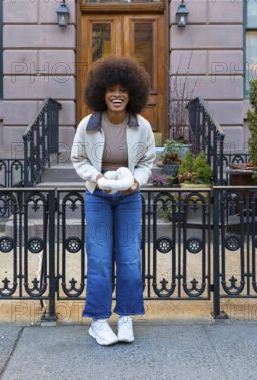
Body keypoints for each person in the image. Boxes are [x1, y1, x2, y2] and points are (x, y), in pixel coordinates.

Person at [71, 55, 156, 346]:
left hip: (129, 198)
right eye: (111, 89)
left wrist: (136, 181)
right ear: (101, 93)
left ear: (132, 94)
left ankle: (126, 316)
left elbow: (147, 162)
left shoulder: (141, 126)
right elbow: (78, 158)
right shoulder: (88, 124)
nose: (117, 95)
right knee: (99, 258)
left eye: (123, 89)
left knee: (130, 258)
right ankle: (97, 320)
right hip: (98, 197)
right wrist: (97, 177)